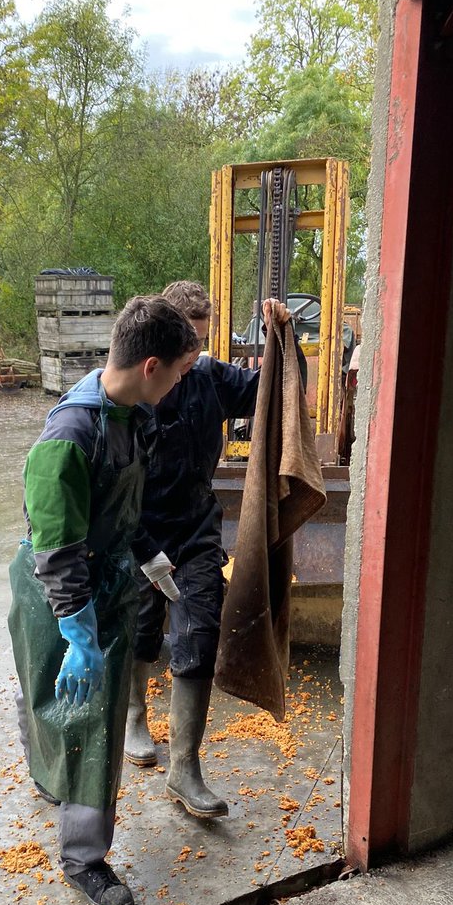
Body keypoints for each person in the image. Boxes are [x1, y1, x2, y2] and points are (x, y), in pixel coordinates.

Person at [8, 296, 201, 905]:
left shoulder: (131, 415)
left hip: (110, 578)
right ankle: (83, 860)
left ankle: (63, 800)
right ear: (150, 365)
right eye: (176, 373)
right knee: (75, 710)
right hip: (58, 593)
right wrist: (78, 632)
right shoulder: (69, 437)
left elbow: (127, 507)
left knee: (83, 713)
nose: (178, 386)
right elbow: (57, 547)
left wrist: (151, 557)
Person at [125, 282, 294, 819]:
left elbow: (274, 390)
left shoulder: (211, 377)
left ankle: (184, 767)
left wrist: (281, 338)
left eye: (200, 341)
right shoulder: (136, 389)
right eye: (186, 343)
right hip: (139, 529)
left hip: (195, 527)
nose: (193, 355)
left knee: (199, 629)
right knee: (141, 629)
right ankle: (133, 715)